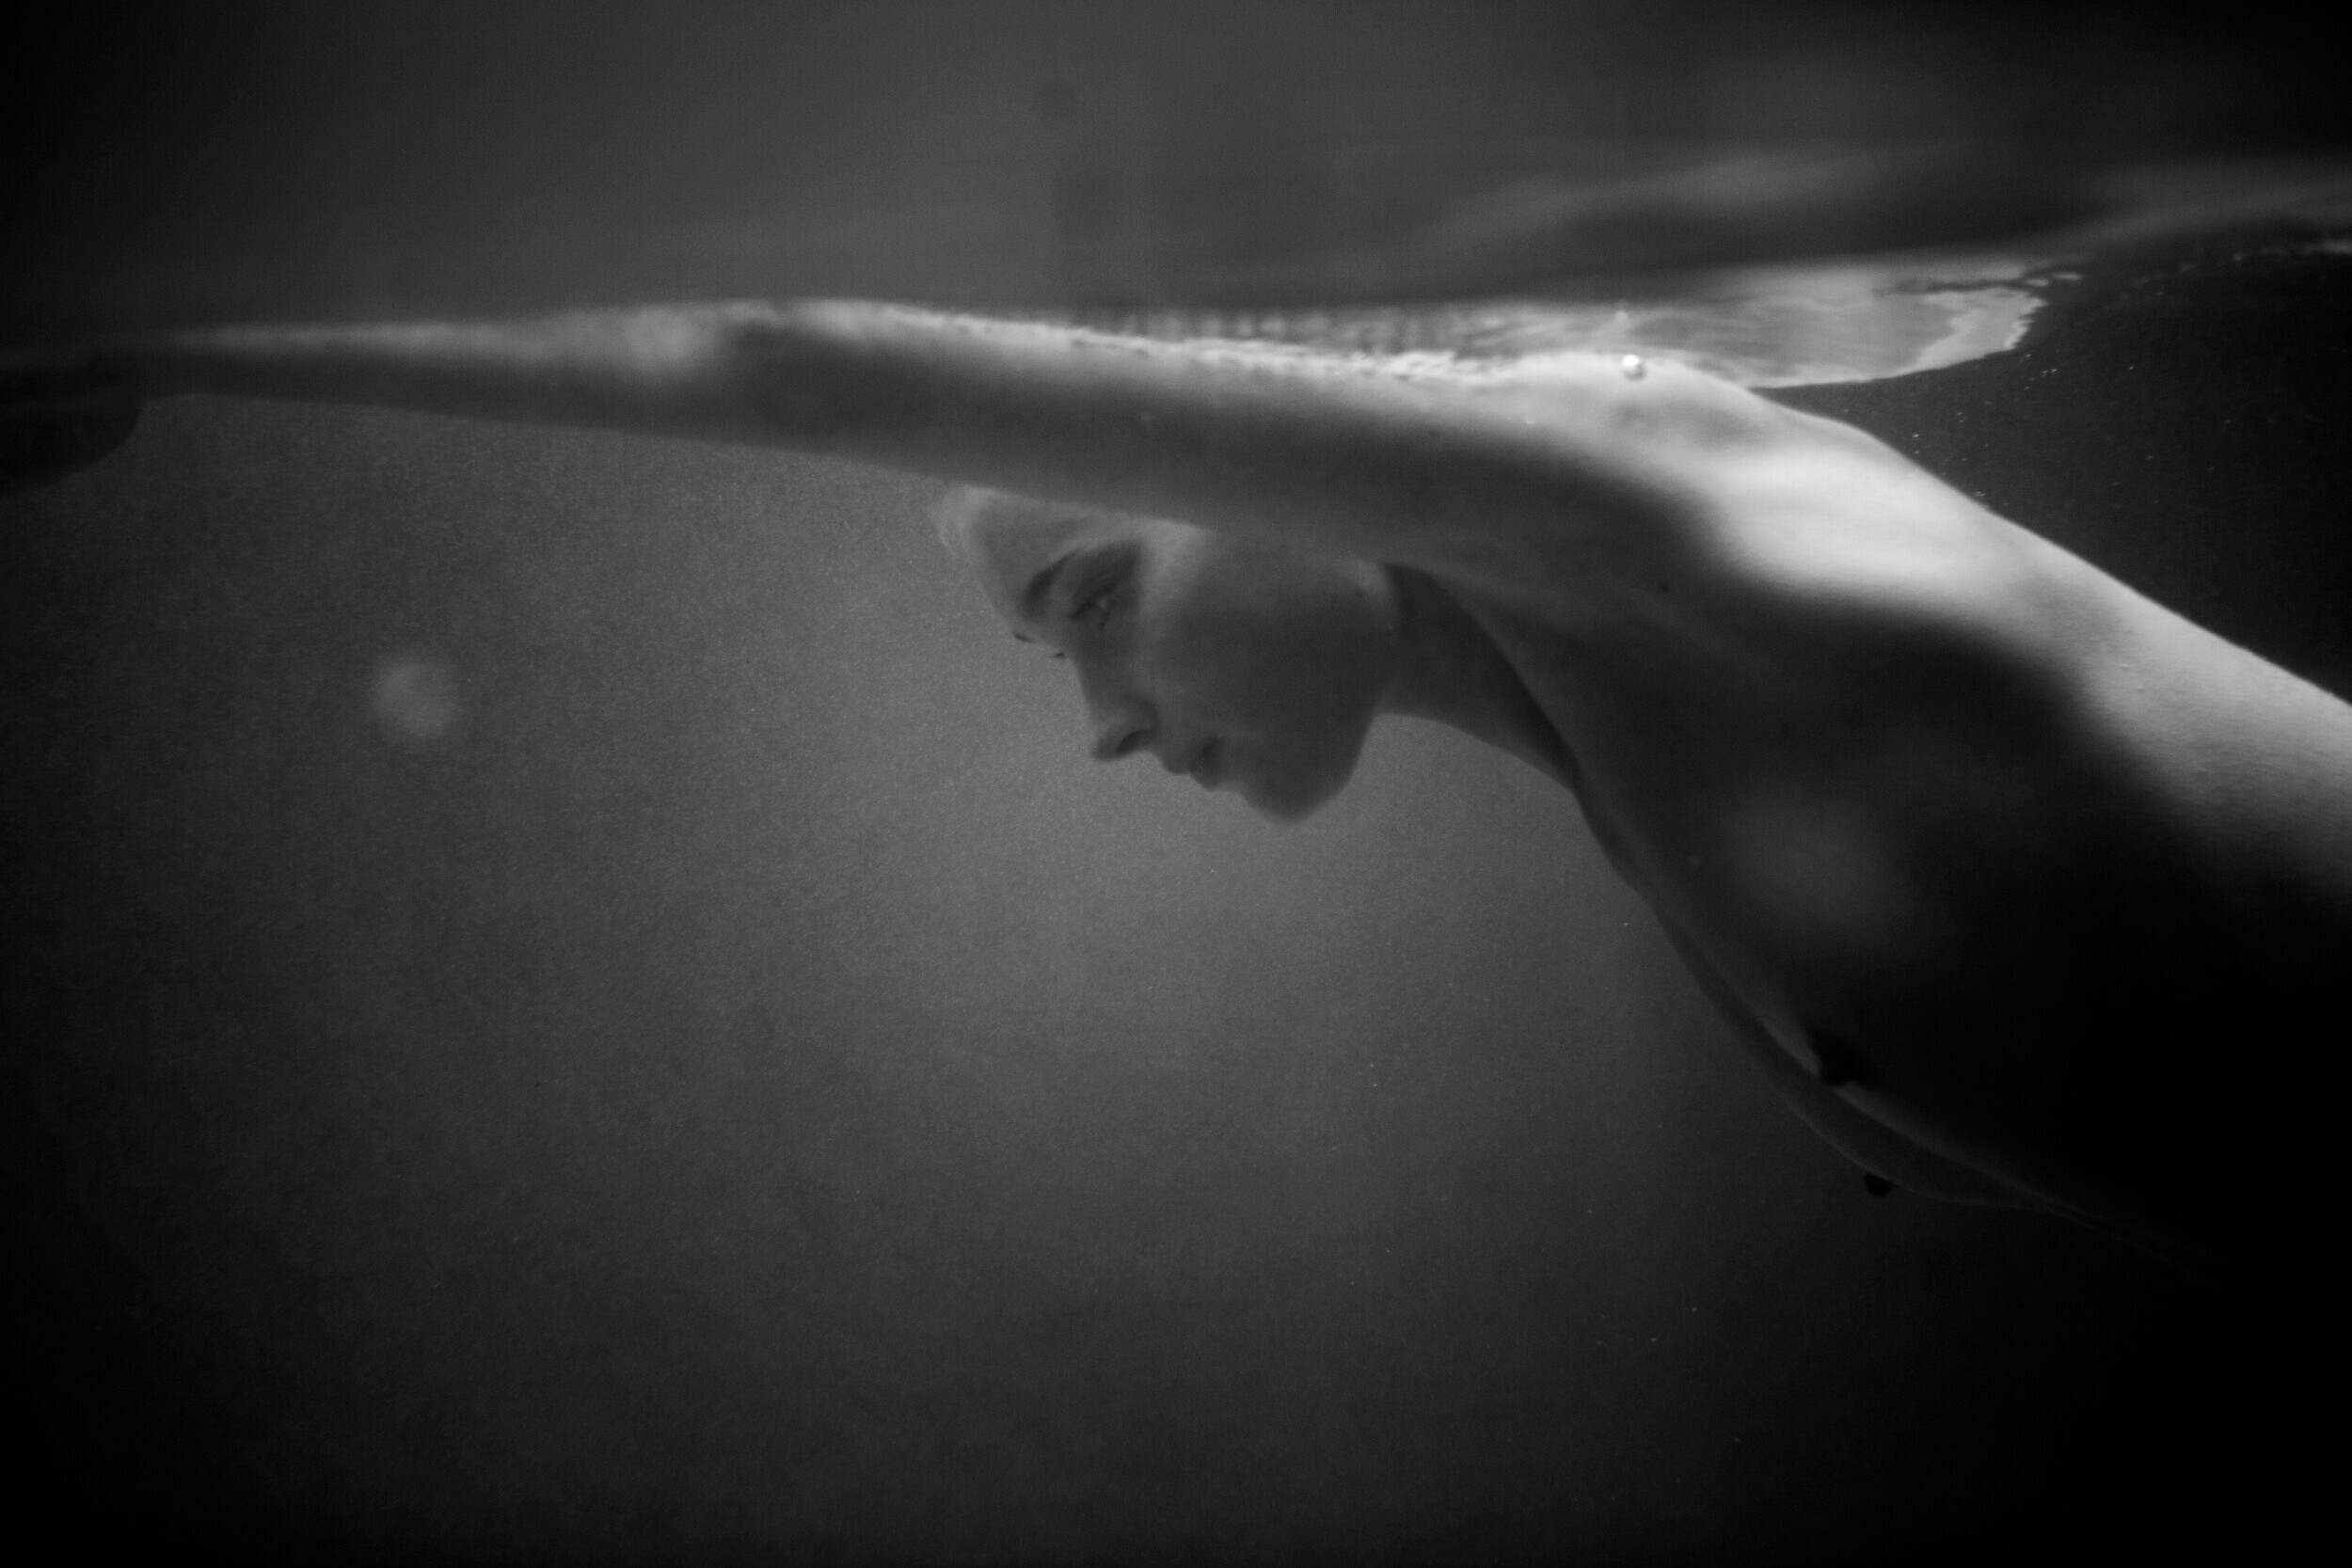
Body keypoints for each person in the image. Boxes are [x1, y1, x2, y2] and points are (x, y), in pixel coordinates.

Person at [7, 298, 2345, 1282]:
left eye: (1088, 595)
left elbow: (779, 354)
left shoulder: (1652, 496)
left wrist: (162, 334)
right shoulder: (1603, 695)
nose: (1107, 725)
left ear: (1257, 446)